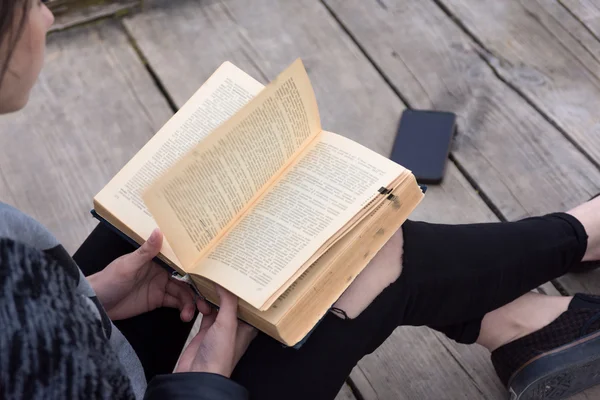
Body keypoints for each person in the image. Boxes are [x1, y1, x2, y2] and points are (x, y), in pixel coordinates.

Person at [1, 1, 600, 399]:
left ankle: (517, 317)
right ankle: (575, 238)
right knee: (368, 250)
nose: (49, 15)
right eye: (29, 4)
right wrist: (201, 385)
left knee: (171, 215)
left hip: (74, 347)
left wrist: (88, 299)